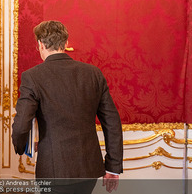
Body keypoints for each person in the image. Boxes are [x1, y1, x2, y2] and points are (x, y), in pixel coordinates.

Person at [12, 20, 123, 194]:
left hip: (53, 169)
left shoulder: (32, 77)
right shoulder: (93, 73)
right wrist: (113, 167)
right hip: (88, 169)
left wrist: (21, 146)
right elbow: (112, 122)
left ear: (40, 45)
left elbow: (20, 125)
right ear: (65, 43)